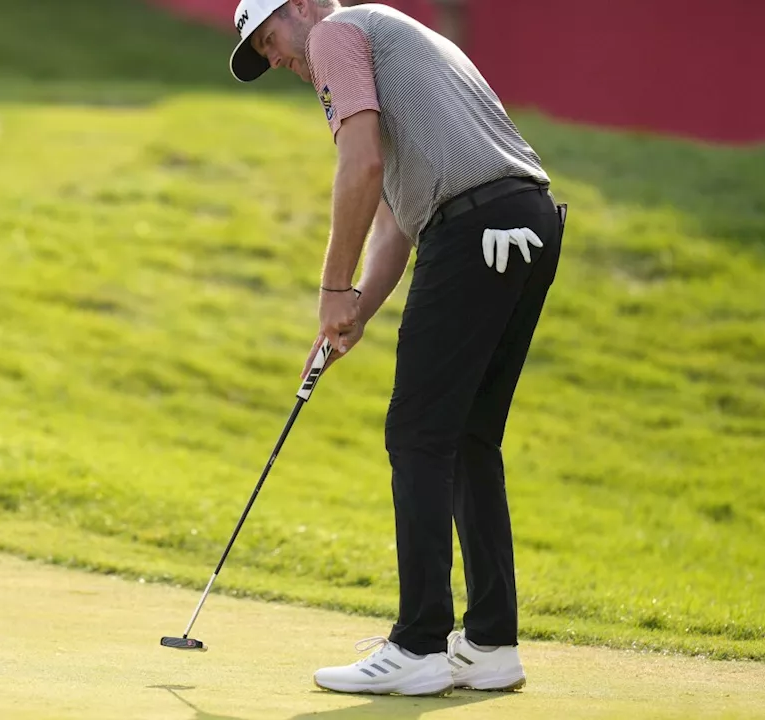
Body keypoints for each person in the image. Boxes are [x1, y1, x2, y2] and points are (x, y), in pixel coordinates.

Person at [226, 0, 567, 698]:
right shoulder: (387, 34)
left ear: (301, 8)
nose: (276, 58)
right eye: (263, 53)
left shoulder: (337, 35)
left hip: (474, 230)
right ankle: (491, 644)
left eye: (270, 39)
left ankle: (417, 646)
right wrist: (349, 318)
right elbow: (395, 221)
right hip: (524, 223)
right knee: (468, 437)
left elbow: (361, 165)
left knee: (416, 435)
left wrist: (330, 286)